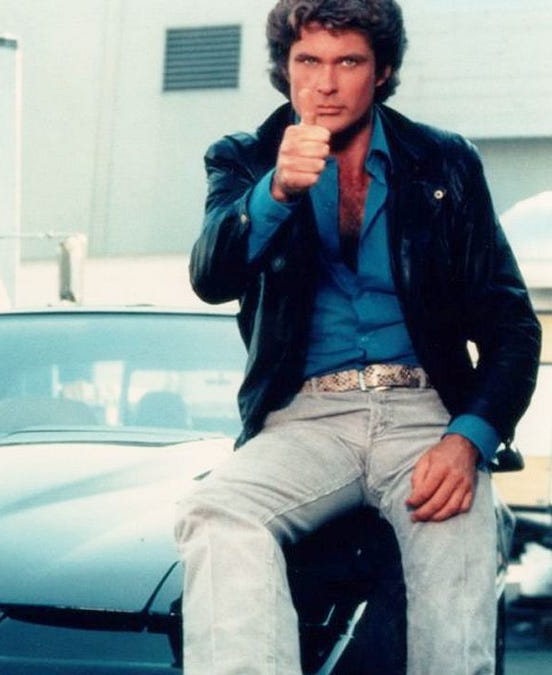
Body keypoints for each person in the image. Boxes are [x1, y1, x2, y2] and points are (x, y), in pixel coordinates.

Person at [174, 1, 541, 673]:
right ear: (285, 70)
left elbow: (512, 324)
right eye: (308, 61)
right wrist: (276, 193)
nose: (326, 83)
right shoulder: (244, 158)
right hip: (305, 417)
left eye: (348, 61)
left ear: (383, 71)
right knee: (215, 509)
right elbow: (211, 278)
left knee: (461, 550)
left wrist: (469, 439)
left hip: (426, 414)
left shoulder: (444, 162)